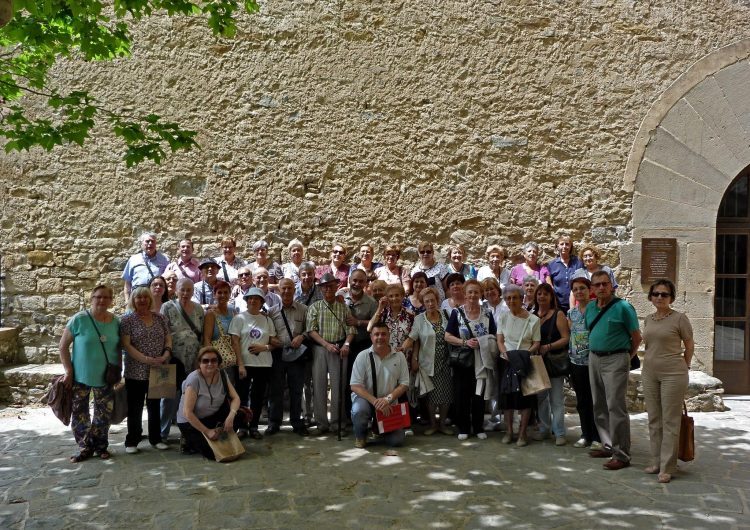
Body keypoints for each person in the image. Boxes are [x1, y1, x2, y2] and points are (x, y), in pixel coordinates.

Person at [586, 270, 641, 471]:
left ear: (612, 286)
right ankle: (608, 445)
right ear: (592, 289)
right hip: (594, 358)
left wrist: (627, 357)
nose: (601, 287)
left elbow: (636, 337)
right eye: (597, 284)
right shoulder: (591, 308)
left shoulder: (624, 307)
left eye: (605, 284)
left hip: (616, 358)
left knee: (615, 407)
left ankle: (622, 454)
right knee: (598, 404)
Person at [59, 285, 120, 462]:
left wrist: (118, 373)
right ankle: (85, 447)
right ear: (91, 298)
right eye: (98, 297)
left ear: (111, 300)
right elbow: (63, 346)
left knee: (104, 414)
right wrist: (68, 371)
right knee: (80, 413)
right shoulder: (79, 319)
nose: (102, 300)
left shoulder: (115, 322)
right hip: (80, 377)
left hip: (106, 376)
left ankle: (100, 446)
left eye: (106, 297)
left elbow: (118, 349)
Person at [642, 279, 694, 483]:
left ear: (671, 297)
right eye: (656, 294)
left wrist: (685, 366)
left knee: (670, 421)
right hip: (649, 373)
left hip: (673, 374)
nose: (659, 297)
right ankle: (656, 461)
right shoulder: (648, 319)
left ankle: (668, 466)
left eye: (664, 294)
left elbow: (689, 346)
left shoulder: (680, 318)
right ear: (651, 297)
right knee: (654, 419)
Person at [120, 287, 173, 453]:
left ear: (150, 299)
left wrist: (166, 354)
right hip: (135, 370)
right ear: (133, 300)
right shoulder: (127, 320)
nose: (142, 300)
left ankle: (156, 439)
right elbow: (126, 345)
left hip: (159, 368)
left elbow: (168, 338)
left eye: (145, 297)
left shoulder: (160, 318)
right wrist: (146, 359)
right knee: (135, 407)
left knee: (155, 405)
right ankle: (132, 441)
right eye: (138, 297)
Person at [445, 280, 496, 441]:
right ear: (465, 294)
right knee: (462, 394)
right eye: (470, 292)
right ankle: (464, 428)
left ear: (481, 294)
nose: (473, 295)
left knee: (479, 394)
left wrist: (483, 342)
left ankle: (478, 426)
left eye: (476, 292)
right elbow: (447, 336)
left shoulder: (487, 314)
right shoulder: (457, 313)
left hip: (482, 360)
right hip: (463, 360)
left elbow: (494, 335)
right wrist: (465, 342)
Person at [305, 273, 356, 435]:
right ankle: (321, 424)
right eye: (325, 286)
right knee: (318, 386)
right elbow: (311, 330)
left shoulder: (343, 307)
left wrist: (347, 344)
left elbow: (351, 330)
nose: (328, 289)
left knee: (339, 387)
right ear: (320, 289)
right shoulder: (315, 307)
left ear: (336, 287)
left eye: (331, 286)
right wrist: (326, 345)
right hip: (320, 349)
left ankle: (337, 424)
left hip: (340, 349)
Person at [350, 322, 410, 449]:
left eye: (383, 334)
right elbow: (355, 385)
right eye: (376, 334)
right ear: (371, 337)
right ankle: (361, 436)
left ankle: (378, 429)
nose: (380, 337)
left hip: (389, 402)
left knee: (397, 441)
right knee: (359, 410)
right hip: (366, 400)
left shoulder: (399, 356)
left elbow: (404, 384)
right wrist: (376, 401)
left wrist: (387, 399)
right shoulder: (362, 356)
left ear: (389, 336)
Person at [229, 287, 279, 439]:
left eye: (256, 298)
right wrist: (240, 364)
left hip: (263, 364)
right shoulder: (239, 318)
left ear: (261, 301)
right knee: (242, 396)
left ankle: (254, 426)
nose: (252, 301)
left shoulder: (267, 320)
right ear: (246, 300)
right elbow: (235, 342)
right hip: (245, 364)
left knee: (258, 397)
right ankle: (242, 426)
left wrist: (263, 347)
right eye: (250, 298)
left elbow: (273, 343)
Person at [176, 346, 242, 459]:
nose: (210, 364)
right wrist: (207, 431)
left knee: (240, 415)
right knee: (212, 454)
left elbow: (236, 398)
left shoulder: (222, 374)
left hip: (212, 416)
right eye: (205, 361)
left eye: (214, 360)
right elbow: (187, 413)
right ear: (199, 364)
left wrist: (231, 416)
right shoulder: (194, 379)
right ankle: (189, 440)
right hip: (190, 422)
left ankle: (218, 433)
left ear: (218, 362)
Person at [159, 278, 204, 443]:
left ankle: (188, 432)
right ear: (176, 291)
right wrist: (165, 355)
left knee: (190, 395)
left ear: (193, 291)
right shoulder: (168, 307)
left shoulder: (199, 309)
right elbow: (163, 332)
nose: (185, 293)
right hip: (172, 357)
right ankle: (162, 434)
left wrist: (201, 359)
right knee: (167, 395)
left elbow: (203, 335)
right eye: (182, 290)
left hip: (193, 359)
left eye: (189, 290)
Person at [403, 287, 453, 435]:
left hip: (446, 361)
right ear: (423, 303)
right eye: (427, 301)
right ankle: (433, 425)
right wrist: (402, 349)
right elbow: (412, 338)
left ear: (437, 300)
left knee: (446, 395)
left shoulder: (446, 314)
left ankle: (442, 424)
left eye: (433, 300)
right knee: (431, 396)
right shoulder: (419, 319)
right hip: (428, 362)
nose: (430, 303)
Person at [496, 284, 541, 447]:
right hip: (507, 361)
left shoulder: (533, 320)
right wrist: (505, 354)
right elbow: (500, 340)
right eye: (508, 298)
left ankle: (522, 433)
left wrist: (526, 355)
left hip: (524, 362)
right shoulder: (503, 317)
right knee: (507, 399)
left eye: (515, 297)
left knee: (525, 399)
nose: (511, 301)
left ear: (521, 298)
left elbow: (536, 342)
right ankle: (509, 431)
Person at [269, 278, 310, 436]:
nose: (286, 291)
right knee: (276, 389)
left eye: (289, 288)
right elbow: (266, 331)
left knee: (296, 389)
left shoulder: (304, 309)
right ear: (278, 290)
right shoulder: (272, 311)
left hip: (297, 354)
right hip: (277, 354)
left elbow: (310, 329)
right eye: (283, 288)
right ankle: (274, 422)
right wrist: (271, 339)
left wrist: (302, 337)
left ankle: (296, 421)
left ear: (294, 290)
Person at [532, 283, 570, 446]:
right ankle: (544, 429)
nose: (541, 297)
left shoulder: (558, 315)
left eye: (545, 294)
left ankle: (559, 432)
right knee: (541, 398)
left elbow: (565, 338)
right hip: (537, 363)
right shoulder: (532, 315)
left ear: (551, 297)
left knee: (556, 399)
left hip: (554, 362)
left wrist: (548, 347)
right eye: (539, 294)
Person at [567, 276, 602, 450]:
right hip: (576, 362)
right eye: (575, 289)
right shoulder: (571, 313)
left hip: (594, 362)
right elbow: (570, 336)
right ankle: (585, 434)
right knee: (582, 401)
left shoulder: (597, 309)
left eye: (582, 288)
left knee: (596, 400)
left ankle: (597, 436)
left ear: (590, 290)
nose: (579, 292)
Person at [340, 269, 378, 422]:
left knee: (362, 381)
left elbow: (376, 323)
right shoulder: (340, 297)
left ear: (365, 283)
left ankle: (364, 415)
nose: (357, 283)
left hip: (362, 345)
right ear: (349, 279)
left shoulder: (371, 302)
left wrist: (359, 323)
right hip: (343, 345)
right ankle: (347, 416)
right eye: (354, 280)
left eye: (361, 281)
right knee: (345, 380)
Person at [202, 280, 235, 380]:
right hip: (218, 357)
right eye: (219, 292)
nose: (223, 295)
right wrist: (211, 360)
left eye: (225, 292)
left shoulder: (232, 311)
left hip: (232, 356)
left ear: (230, 294)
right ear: (214, 295)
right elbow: (207, 339)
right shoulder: (211, 314)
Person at [367, 283, 414, 353]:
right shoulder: (383, 313)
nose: (394, 298)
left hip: (404, 355)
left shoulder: (410, 314)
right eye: (391, 296)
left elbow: (413, 336)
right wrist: (380, 308)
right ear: (387, 298)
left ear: (402, 296)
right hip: (385, 355)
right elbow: (369, 328)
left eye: (397, 295)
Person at [121, 231, 169, 299]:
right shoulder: (133, 259)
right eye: (147, 241)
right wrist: (127, 301)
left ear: (156, 243)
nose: (150, 243)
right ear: (142, 243)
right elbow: (127, 283)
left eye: (152, 241)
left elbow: (168, 282)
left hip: (156, 300)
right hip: (136, 298)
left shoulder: (164, 260)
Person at [547, 234, 582, 313]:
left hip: (577, 303)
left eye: (567, 244)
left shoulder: (578, 262)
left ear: (571, 247)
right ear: (557, 246)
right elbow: (550, 285)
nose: (564, 246)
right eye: (562, 244)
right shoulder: (552, 265)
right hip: (558, 305)